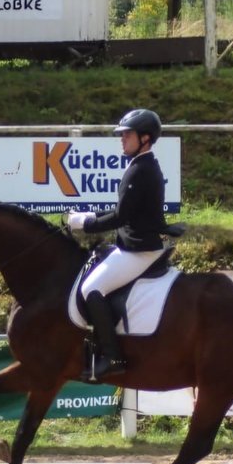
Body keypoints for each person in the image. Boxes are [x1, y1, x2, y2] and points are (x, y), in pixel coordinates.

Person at [67, 108, 179, 382]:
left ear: (145, 139)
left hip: (140, 249)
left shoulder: (141, 169)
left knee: (92, 288)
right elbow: (123, 209)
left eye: (127, 134)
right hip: (133, 243)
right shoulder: (140, 165)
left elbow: (121, 216)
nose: (122, 139)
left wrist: (85, 224)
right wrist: (90, 216)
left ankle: (112, 357)